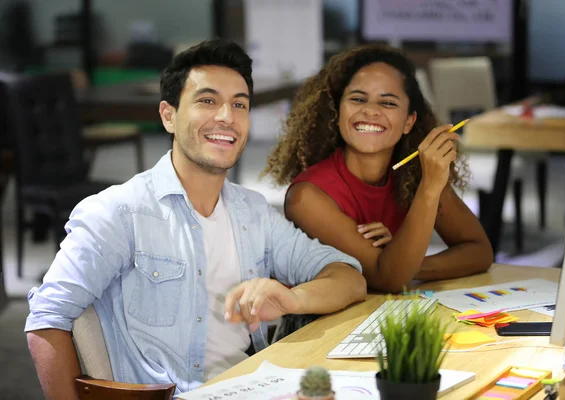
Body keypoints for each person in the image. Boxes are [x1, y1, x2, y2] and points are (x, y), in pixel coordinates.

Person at [25, 39, 366, 398]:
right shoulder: (119, 212)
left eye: (239, 104)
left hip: (252, 386)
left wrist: (292, 299)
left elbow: (347, 277)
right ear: (168, 116)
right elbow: (47, 319)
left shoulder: (253, 213)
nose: (226, 117)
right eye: (207, 101)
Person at [263, 44, 493, 293]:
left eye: (388, 103)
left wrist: (404, 260)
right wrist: (399, 259)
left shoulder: (415, 175)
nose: (371, 111)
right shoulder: (306, 197)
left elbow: (479, 251)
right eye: (358, 99)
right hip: (321, 327)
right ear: (337, 112)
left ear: (408, 121)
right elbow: (388, 279)